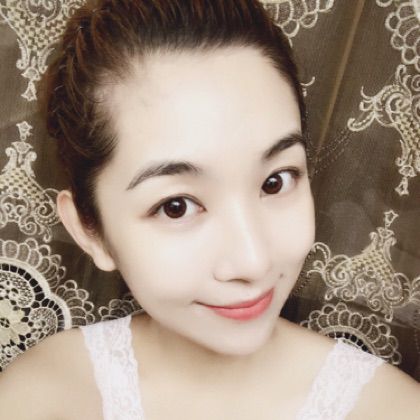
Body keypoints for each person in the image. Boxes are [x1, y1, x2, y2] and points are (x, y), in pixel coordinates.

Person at [0, 0, 419, 419]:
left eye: (275, 181)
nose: (253, 262)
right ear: (90, 230)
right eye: (176, 207)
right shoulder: (38, 399)